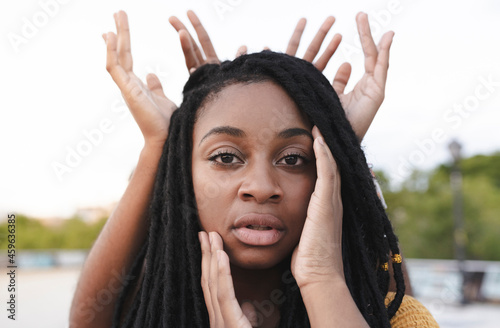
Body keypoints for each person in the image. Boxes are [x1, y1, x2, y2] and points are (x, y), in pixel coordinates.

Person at [70, 10, 432, 328]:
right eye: (226, 157)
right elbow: (89, 319)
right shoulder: (153, 309)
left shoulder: (398, 317)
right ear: (184, 175)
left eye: (293, 159)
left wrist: (344, 152)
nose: (260, 187)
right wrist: (159, 147)